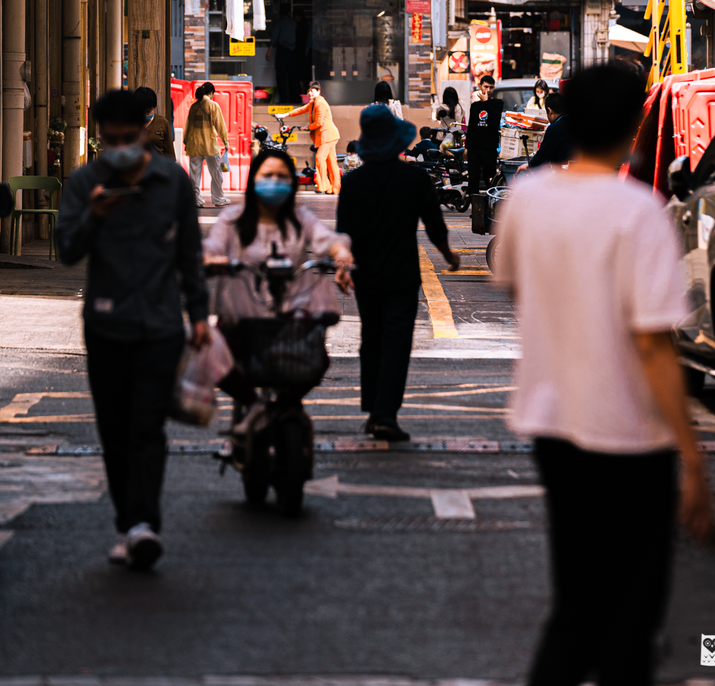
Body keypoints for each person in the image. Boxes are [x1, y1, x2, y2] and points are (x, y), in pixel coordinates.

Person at [494, 64, 715, 686]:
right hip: (630, 437)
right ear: (634, 126)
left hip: (552, 427)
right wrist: (693, 458)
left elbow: (517, 289)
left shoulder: (526, 199)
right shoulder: (637, 211)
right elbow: (653, 346)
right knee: (632, 614)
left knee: (576, 600)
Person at [56, 89, 209, 571]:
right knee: (115, 430)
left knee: (147, 425)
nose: (119, 147)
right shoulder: (85, 184)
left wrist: (200, 315)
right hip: (106, 326)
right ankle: (128, 522)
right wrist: (92, 217)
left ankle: (143, 525)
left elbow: (190, 255)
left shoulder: (173, 182)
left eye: (127, 138)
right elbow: (66, 251)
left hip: (162, 325)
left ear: (144, 133)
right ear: (100, 138)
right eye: (109, 140)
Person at [202, 149, 354, 431]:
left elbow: (328, 240)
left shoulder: (300, 217)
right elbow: (210, 249)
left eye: (281, 177)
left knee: (316, 359)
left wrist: (341, 255)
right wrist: (210, 260)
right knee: (209, 352)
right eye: (267, 175)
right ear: (254, 179)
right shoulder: (233, 218)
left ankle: (286, 404)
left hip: (290, 314)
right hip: (241, 314)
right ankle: (254, 405)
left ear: (292, 182)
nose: (274, 181)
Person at [337, 104, 460, 441]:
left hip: (366, 274)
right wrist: (449, 254)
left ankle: (374, 407)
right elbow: (435, 225)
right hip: (402, 274)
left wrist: (343, 268)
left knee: (372, 338)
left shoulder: (353, 182)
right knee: (396, 342)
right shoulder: (415, 178)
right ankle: (384, 413)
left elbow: (343, 232)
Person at [280, 81, 341, 195]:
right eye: (308, 91)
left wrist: (307, 127)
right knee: (331, 162)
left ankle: (323, 186)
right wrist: (285, 115)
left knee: (319, 158)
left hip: (327, 135)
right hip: (327, 136)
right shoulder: (313, 103)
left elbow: (318, 123)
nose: (310, 93)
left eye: (312, 91)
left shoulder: (320, 104)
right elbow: (301, 110)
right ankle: (335, 188)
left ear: (318, 91)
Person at [183, 82, 230, 208]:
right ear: (211, 93)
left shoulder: (193, 107)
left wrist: (186, 141)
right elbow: (220, 125)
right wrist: (225, 141)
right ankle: (218, 198)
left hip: (194, 145)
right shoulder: (213, 105)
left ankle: (196, 200)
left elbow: (188, 126)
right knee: (216, 174)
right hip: (209, 146)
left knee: (194, 176)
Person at [466, 73, 503, 193]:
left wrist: (486, 102)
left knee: (490, 180)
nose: (488, 90)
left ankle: (490, 208)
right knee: (473, 179)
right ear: (480, 86)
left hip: (489, 148)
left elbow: (495, 119)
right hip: (474, 148)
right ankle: (475, 209)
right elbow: (471, 127)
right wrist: (467, 147)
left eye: (491, 87)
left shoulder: (498, 103)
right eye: (486, 87)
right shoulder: (475, 106)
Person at [528, 91, 573, 169]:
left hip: (563, 173)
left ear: (550, 111)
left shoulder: (554, 129)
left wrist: (529, 165)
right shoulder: (577, 124)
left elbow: (543, 155)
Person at [266, 3, 298, 104]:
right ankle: (295, 98)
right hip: (293, 51)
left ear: (280, 12)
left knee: (281, 75)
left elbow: (274, 38)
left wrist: (269, 52)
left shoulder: (279, 23)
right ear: (289, 12)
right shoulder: (294, 23)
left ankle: (284, 99)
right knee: (293, 75)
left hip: (282, 50)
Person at [132, 86, 175, 158]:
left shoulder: (163, 123)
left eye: (149, 111)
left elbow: (170, 153)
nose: (145, 114)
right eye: (142, 112)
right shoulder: (129, 124)